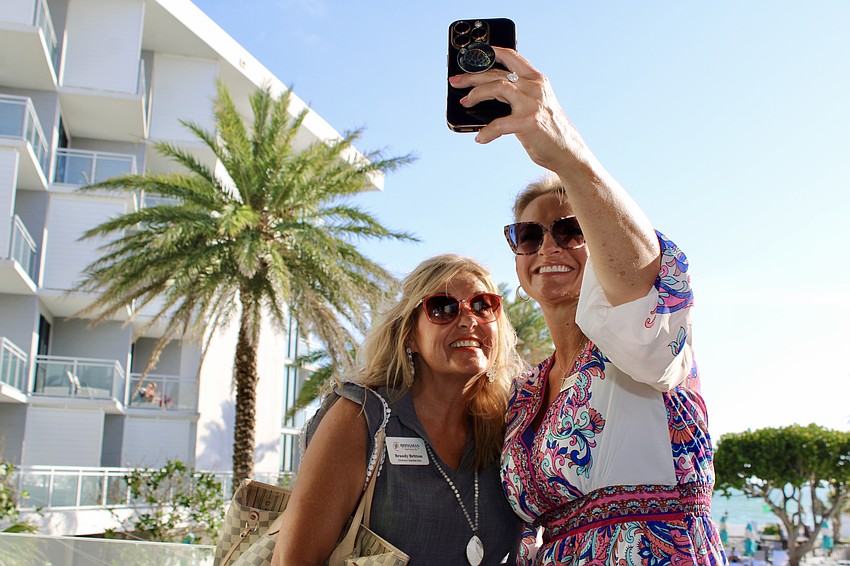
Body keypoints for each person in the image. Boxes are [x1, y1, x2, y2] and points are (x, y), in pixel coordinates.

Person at [450, 48, 726, 564]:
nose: (548, 247)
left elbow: (642, 280)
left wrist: (565, 152)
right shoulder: (527, 391)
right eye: (528, 235)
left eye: (571, 229)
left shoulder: (640, 337)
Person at [271, 254, 525, 565]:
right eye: (443, 308)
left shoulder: (511, 427)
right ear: (409, 336)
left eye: (483, 305)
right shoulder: (362, 417)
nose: (468, 319)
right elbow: (293, 560)